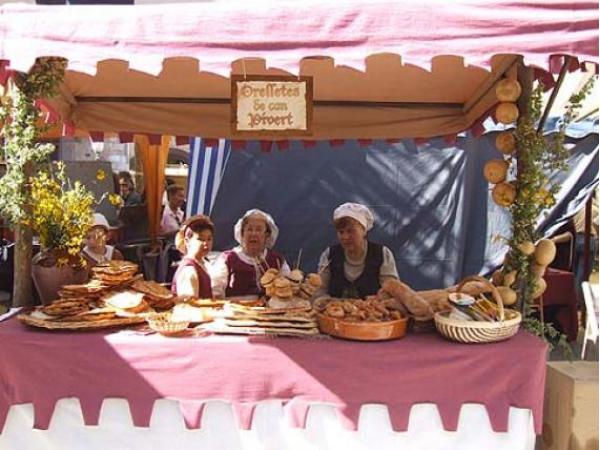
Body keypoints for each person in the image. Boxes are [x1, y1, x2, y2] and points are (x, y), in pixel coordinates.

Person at [316, 202, 399, 299]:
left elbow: (392, 293)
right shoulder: (329, 254)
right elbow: (319, 290)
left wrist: (372, 304)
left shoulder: (382, 254)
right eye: (341, 232)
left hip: (373, 312)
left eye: (351, 231)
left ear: (364, 230)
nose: (345, 237)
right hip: (331, 312)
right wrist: (327, 303)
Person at [212, 209, 290, 298]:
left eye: (259, 229)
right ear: (242, 233)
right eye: (249, 229)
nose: (253, 234)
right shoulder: (227, 259)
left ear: (267, 235)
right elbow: (215, 292)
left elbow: (289, 289)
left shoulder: (277, 260)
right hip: (235, 310)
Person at [171, 215, 214, 298]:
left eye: (209, 239)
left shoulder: (203, 263)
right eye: (200, 239)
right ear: (187, 241)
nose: (206, 243)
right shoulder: (189, 270)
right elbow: (189, 305)